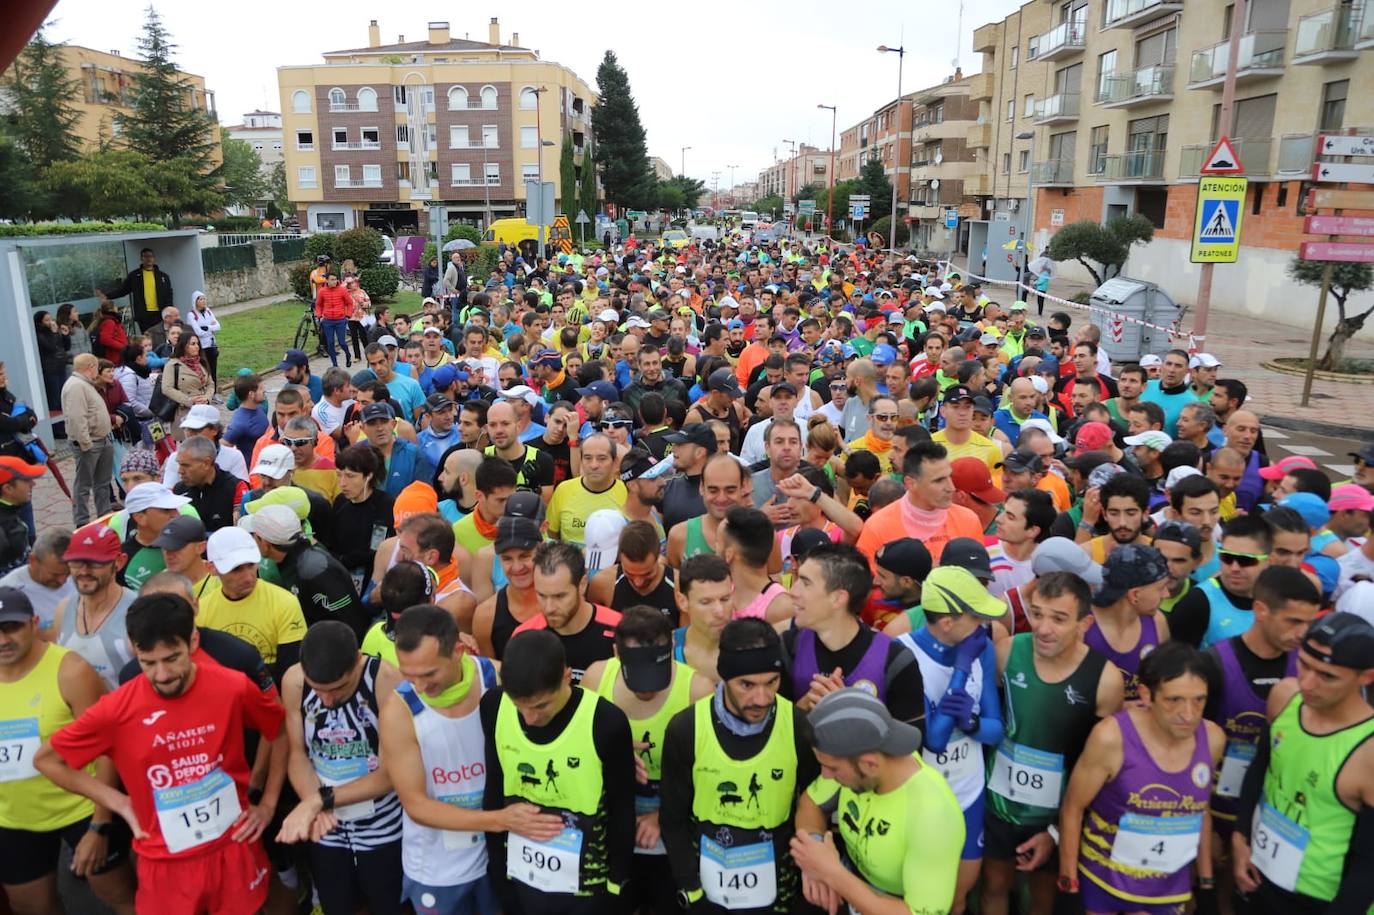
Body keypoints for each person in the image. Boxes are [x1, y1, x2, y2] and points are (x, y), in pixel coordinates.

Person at [36, 588, 287, 914]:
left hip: (232, 848)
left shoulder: (232, 686)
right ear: (132, 649)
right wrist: (118, 802)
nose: (162, 675)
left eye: (172, 659)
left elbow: (278, 727)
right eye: (148, 663)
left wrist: (266, 803)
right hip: (164, 862)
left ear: (192, 642)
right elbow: (47, 760)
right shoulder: (118, 707)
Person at [980, 572, 1124, 915]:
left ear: (1084, 623)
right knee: (993, 888)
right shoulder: (1007, 652)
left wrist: (1057, 830)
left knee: (1043, 902)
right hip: (997, 804)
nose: (1043, 628)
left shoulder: (1105, 680)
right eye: (1037, 613)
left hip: (1054, 816)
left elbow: (1095, 768)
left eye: (1059, 619)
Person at [659, 618, 819, 915]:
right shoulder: (687, 728)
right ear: (724, 676)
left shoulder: (798, 727)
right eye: (746, 685)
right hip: (706, 884)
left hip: (776, 888)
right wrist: (691, 890)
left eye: (772, 682)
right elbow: (673, 820)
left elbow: (813, 806)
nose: (761, 698)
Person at [1058, 642, 1225, 914]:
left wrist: (1206, 884)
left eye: (1199, 700)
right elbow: (1072, 808)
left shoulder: (1214, 739)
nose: (1188, 714)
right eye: (1174, 700)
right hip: (1104, 883)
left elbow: (1201, 812)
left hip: (1168, 890)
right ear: (1147, 694)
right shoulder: (1111, 737)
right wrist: (1068, 887)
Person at [0, 586, 137, 915]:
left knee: (121, 895)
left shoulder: (71, 671)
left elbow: (108, 747)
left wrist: (100, 825)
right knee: (31, 906)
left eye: (11, 627)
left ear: (34, 623)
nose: (3, 639)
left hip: (81, 809)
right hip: (15, 817)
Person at [479, 629, 635, 915]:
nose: (530, 718)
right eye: (519, 706)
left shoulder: (606, 722)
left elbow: (622, 809)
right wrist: (498, 871)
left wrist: (615, 885)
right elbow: (494, 789)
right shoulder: (493, 705)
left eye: (541, 705)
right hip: (520, 876)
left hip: (587, 885)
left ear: (566, 677)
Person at [1231, 613, 1374, 914]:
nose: (1308, 683)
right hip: (1258, 873)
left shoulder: (1368, 751)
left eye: (1327, 676)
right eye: (1304, 665)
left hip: (1316, 899)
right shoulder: (1286, 696)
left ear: (1366, 676)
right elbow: (1261, 768)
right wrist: (1240, 837)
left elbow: (1368, 866)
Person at [581, 607, 713, 915]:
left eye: (656, 676)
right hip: (615, 832)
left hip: (673, 835)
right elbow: (578, 749)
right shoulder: (596, 677)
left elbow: (710, 773)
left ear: (671, 651)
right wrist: (613, 750)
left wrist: (662, 815)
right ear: (616, 652)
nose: (648, 688)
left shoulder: (697, 689)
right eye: (637, 678)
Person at [793, 688, 966, 915]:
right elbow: (810, 803)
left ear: (870, 764)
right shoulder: (859, 759)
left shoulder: (933, 816)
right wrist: (815, 852)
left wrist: (833, 874)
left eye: (832, 768)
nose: (825, 776)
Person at [894, 565, 1006, 913]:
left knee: (957, 897)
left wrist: (970, 723)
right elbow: (935, 740)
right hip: (919, 798)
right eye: (977, 617)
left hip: (967, 792)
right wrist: (959, 671)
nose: (984, 625)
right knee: (919, 902)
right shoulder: (900, 654)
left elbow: (995, 729)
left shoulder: (981, 648)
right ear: (947, 623)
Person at [277, 621, 404, 915]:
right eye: (318, 690)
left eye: (338, 689)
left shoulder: (385, 678)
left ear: (358, 660)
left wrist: (316, 801)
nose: (328, 700)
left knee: (389, 904)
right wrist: (316, 804)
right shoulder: (294, 681)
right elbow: (297, 754)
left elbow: (390, 773)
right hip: (326, 822)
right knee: (336, 904)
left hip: (381, 821)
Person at [1203, 567, 1320, 848]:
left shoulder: (1309, 669)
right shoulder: (1213, 664)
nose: (1302, 633)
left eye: (1308, 623)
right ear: (1261, 610)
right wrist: (1203, 829)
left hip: (1276, 817)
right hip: (1216, 810)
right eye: (1293, 621)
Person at [781, 541, 924, 726]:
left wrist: (850, 713)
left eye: (806, 583)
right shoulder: (786, 648)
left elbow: (911, 748)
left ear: (838, 598)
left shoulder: (896, 660)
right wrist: (802, 708)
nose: (793, 592)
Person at [197, 526, 306, 682]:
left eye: (251, 565)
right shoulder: (201, 611)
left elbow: (292, 671)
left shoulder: (285, 602)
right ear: (211, 568)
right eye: (236, 569)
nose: (248, 577)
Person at [856, 441, 984, 565]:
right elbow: (867, 583)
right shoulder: (877, 527)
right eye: (939, 480)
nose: (951, 487)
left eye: (949, 477)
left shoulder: (968, 520)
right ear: (911, 483)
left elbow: (978, 579)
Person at [511, 541, 619, 684]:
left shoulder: (620, 630)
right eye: (541, 595)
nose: (549, 608)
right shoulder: (523, 637)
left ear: (582, 585)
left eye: (560, 596)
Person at [1168, 515, 1273, 649]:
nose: (1234, 568)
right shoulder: (1197, 603)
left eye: (1246, 560)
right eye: (1227, 557)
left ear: (1268, 561)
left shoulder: (1280, 599)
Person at [1085, 543, 1172, 702]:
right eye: (1161, 588)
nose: (1166, 594)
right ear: (1134, 595)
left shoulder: (1158, 622)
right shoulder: (1083, 625)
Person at [56, 522, 138, 688]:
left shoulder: (140, 612)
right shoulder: (63, 610)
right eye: (76, 562)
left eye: (95, 563)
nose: (84, 571)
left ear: (120, 562)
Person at [587, 520, 678, 621]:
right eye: (629, 574)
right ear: (619, 557)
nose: (638, 582)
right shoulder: (602, 584)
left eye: (647, 574)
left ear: (658, 557)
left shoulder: (678, 586)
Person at [62, 353, 115, 525]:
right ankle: (82, 521)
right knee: (83, 485)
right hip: (90, 443)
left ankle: (104, 515)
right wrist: (86, 443)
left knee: (103, 483)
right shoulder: (76, 386)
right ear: (91, 367)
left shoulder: (85, 384)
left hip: (101, 439)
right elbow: (77, 418)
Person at [546, 434, 626, 546]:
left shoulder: (627, 493)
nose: (594, 465)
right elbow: (551, 534)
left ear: (615, 462)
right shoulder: (564, 490)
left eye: (602, 458)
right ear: (581, 460)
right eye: (588, 458)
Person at [484, 400, 556, 502]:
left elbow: (544, 509)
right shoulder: (480, 458)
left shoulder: (542, 461)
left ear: (518, 426)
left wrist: (535, 490)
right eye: (493, 425)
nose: (499, 430)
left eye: (505, 423)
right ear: (487, 428)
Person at [106, 247, 173, 331]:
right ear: (141, 258)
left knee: (161, 336)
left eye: (151, 256)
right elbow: (122, 290)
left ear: (154, 258)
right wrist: (106, 296)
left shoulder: (163, 276)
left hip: (160, 313)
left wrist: (169, 311)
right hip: (144, 315)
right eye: (146, 256)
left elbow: (169, 294)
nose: (148, 259)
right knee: (148, 338)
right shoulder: (134, 276)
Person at [161, 332, 216, 437]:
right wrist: (189, 400)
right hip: (184, 411)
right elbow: (166, 388)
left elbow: (210, 384)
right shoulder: (172, 365)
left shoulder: (201, 363)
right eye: (193, 344)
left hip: (203, 410)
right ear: (184, 346)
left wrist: (207, 398)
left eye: (197, 344)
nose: (197, 347)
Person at [0, 456, 44, 576]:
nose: (33, 484)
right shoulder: (7, 530)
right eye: (26, 480)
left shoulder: (11, 511)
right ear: (8, 489)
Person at [185, 291, 221, 390]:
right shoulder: (191, 315)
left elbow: (218, 327)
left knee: (213, 370)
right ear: (195, 301)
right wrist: (211, 329)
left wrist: (207, 327)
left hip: (212, 345)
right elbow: (198, 332)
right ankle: (204, 391)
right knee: (204, 370)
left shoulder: (208, 311)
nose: (203, 301)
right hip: (201, 347)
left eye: (204, 298)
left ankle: (214, 392)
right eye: (200, 299)